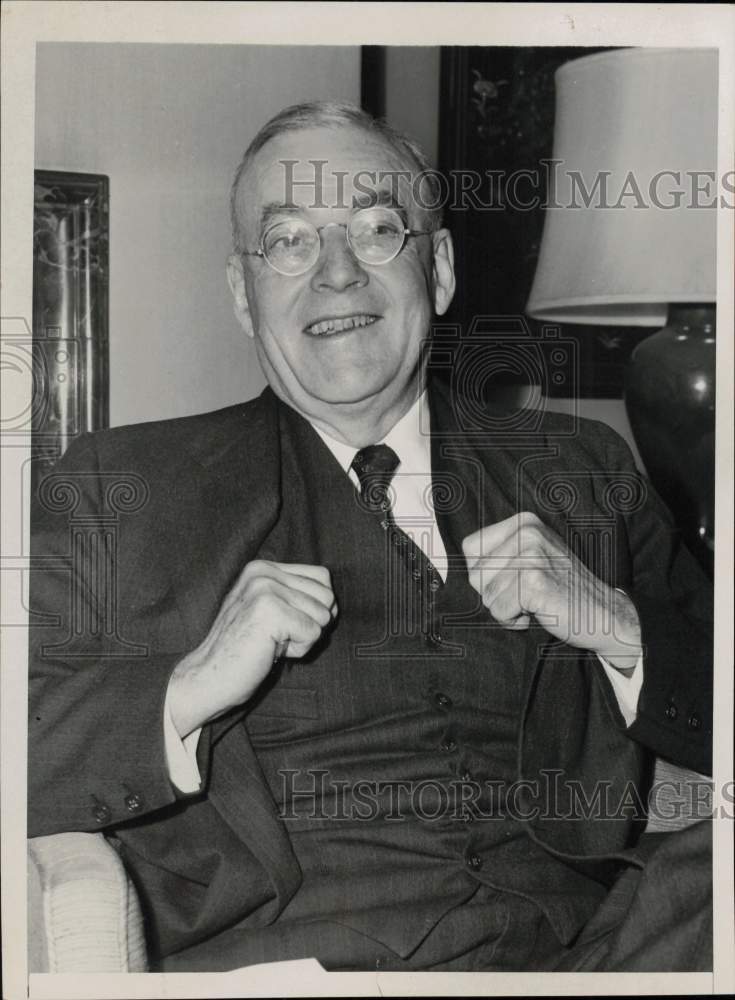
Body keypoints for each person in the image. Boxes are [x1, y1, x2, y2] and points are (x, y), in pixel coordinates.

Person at [28, 101, 713, 973]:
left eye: (377, 229)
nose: (338, 274)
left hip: (588, 954)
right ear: (244, 295)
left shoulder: (579, 468)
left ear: (440, 270)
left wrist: (615, 622)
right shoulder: (121, 487)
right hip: (295, 966)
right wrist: (187, 687)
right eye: (289, 241)